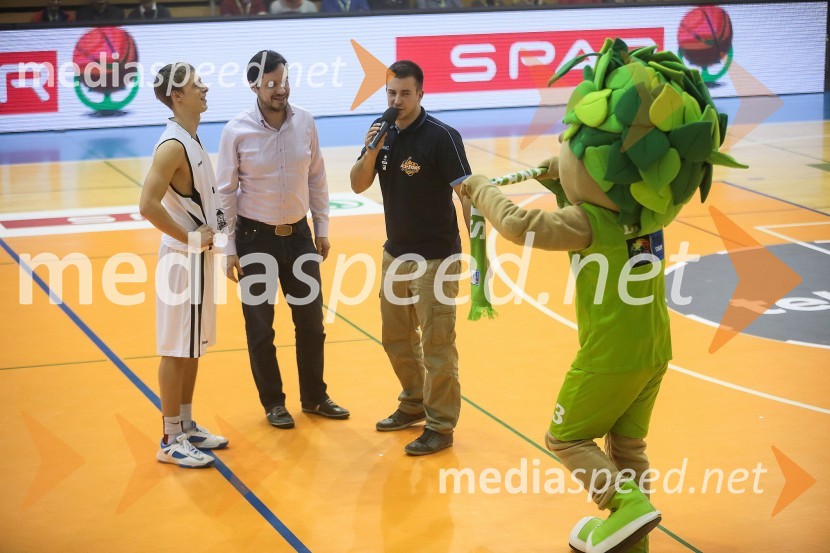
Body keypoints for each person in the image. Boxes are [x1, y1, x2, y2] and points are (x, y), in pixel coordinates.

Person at [458, 38, 744, 552]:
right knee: (628, 445)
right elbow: (596, 197)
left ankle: (624, 506)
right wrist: (561, 182)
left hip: (609, 354)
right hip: (655, 350)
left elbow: (519, 225)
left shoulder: (588, 223)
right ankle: (634, 542)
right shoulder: (647, 212)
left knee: (565, 438)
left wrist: (482, 189)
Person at [217, 50, 349, 430]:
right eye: (272, 84)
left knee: (311, 323)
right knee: (261, 327)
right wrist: (229, 249)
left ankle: (315, 397)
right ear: (254, 86)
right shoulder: (235, 130)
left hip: (300, 237)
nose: (281, 90)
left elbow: (317, 177)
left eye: (284, 81)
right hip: (254, 238)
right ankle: (274, 402)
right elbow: (225, 193)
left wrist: (322, 228)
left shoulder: (305, 122)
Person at [350, 60, 471, 456]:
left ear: (420, 94)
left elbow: (465, 195)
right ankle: (413, 402)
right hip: (395, 254)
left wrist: (480, 253)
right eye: (391, 93)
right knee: (396, 338)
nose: (396, 100)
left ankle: (440, 425)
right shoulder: (380, 133)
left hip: (437, 257)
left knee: (437, 346)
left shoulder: (442, 137)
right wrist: (372, 149)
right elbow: (357, 183)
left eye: (404, 93)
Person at [139, 63, 230, 468]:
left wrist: (220, 238)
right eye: (197, 84)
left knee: (193, 347)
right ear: (177, 95)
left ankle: (187, 424)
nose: (205, 88)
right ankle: (170, 437)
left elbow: (208, 203)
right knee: (176, 349)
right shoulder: (172, 144)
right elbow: (146, 205)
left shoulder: (193, 137)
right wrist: (190, 237)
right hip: (181, 262)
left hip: (200, 260)